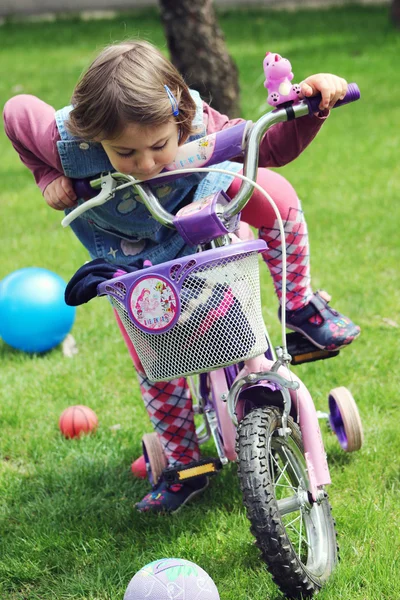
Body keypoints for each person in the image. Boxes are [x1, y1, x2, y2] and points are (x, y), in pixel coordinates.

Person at [3, 39, 360, 513]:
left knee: (272, 191)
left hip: (202, 235)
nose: (147, 163)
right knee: (157, 361)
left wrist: (313, 105)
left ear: (178, 118)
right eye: (125, 152)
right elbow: (16, 112)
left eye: (158, 146)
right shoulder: (73, 140)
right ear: (96, 136)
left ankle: (297, 305)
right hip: (138, 265)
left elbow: (267, 143)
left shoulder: (197, 123)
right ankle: (185, 463)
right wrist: (46, 174)